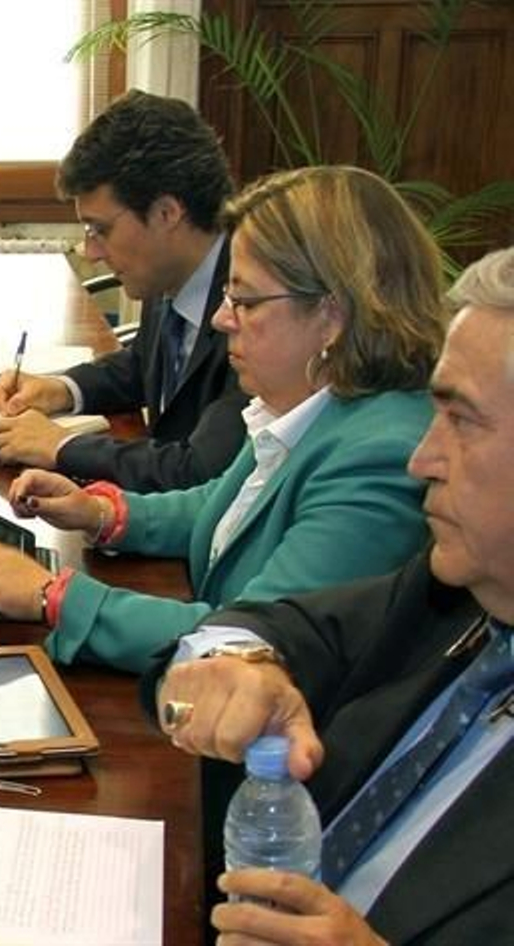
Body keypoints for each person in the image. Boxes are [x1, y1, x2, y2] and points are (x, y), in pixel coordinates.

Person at [150, 245, 514, 944]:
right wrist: (233, 667)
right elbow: (276, 628)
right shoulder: (456, 596)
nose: (422, 459)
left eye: (461, 420)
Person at [0, 166, 445, 673]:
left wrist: (49, 594)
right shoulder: (312, 400)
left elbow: (246, 641)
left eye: (246, 302)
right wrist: (101, 514)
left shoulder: (379, 459)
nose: (221, 318)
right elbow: (228, 508)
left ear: (331, 318)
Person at [0, 89, 247, 491]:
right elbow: (145, 363)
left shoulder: (254, 304)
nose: (91, 252)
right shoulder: (169, 271)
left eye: (101, 230)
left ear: (167, 213)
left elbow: (201, 468)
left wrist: (63, 446)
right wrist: (62, 389)